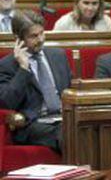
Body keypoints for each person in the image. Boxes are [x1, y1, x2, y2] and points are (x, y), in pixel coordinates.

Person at [0, 10, 72, 152]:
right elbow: (6, 102)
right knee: (68, 134)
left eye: (41, 33)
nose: (40, 39)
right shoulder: (6, 65)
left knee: (92, 128)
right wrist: (24, 69)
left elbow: (70, 89)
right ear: (18, 39)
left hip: (63, 117)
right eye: (33, 36)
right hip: (32, 124)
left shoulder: (58, 55)